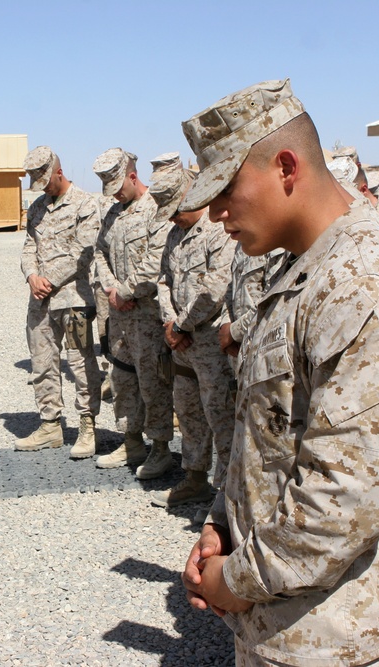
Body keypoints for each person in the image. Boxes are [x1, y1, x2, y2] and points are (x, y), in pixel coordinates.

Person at [179, 79, 379, 667]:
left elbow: (348, 497)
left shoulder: (366, 287)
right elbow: (266, 434)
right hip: (282, 620)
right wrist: (220, 527)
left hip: (338, 636)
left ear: (286, 167)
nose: (215, 210)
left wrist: (236, 578)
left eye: (226, 188)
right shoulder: (303, 273)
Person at [152, 164, 236, 506]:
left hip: (210, 345)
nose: (172, 219)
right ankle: (195, 478)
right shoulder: (175, 235)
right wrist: (171, 322)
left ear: (190, 197)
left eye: (175, 211)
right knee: (188, 413)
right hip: (181, 344)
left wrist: (182, 325)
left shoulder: (217, 230)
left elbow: (216, 288)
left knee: (221, 417)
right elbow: (163, 281)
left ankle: (226, 495)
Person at [15, 146, 102, 458]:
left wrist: (48, 278)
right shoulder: (37, 207)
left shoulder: (85, 204)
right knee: (42, 362)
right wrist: (31, 276)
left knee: (81, 364)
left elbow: (85, 250)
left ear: (59, 174)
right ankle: (50, 425)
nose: (43, 189)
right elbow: (29, 245)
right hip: (39, 302)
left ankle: (87, 427)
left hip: (73, 300)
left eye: (46, 182)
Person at [92, 148, 174, 474]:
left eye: (118, 186)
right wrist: (112, 289)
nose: (115, 194)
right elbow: (99, 251)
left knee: (152, 383)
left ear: (132, 176)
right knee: (123, 381)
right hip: (120, 317)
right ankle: (132, 441)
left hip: (148, 316)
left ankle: (161, 449)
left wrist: (126, 291)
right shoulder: (113, 214)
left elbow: (156, 261)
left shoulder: (157, 210)